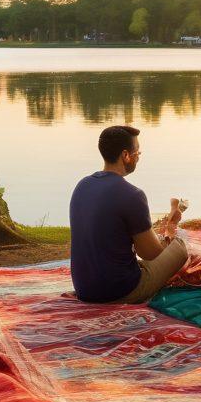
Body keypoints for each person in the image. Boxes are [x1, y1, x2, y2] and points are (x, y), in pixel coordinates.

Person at [70, 125, 187, 304]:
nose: (138, 158)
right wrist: (169, 233)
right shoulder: (133, 195)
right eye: (137, 153)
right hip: (120, 291)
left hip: (84, 289)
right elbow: (151, 253)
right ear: (125, 155)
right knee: (179, 247)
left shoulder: (82, 185)